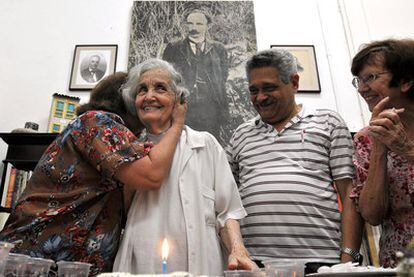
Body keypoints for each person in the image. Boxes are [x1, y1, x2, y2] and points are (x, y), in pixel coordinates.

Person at [0, 72, 186, 275]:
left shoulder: (124, 140)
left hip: (68, 264)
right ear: (126, 99)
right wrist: (177, 123)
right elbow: (151, 175)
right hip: (34, 261)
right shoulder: (97, 123)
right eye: (140, 91)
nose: (146, 99)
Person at [113, 58, 256, 275]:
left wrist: (238, 250)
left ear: (178, 100)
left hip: (202, 264)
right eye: (142, 90)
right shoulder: (128, 149)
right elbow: (119, 215)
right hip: (141, 263)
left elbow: (227, 212)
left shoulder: (205, 145)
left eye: (160, 88)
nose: (149, 96)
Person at [226, 49, 363, 274]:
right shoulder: (242, 134)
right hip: (255, 265)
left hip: (321, 263)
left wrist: (348, 260)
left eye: (269, 88)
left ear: (294, 82)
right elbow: (225, 200)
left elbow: (350, 194)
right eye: (253, 90)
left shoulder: (328, 122)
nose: (260, 97)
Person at [349, 38, 414, 268]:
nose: (362, 88)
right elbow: (372, 215)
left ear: (405, 80)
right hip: (399, 266)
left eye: (371, 78)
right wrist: (379, 146)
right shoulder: (366, 138)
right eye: (358, 80)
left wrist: (407, 150)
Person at [162, 9, 229, 142]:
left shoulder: (219, 49)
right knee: (184, 144)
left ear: (207, 26)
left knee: (211, 143)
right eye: (190, 23)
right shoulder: (173, 48)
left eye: (199, 24)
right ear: (185, 25)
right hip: (185, 105)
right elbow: (166, 77)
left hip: (211, 106)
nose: (194, 28)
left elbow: (223, 76)